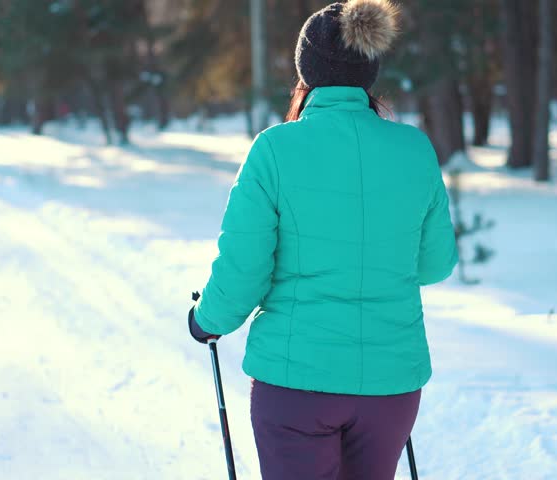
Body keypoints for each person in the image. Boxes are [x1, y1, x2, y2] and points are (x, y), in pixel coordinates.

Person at [187, 0, 458, 478]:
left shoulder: (275, 149)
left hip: (296, 385)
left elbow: (244, 268)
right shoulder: (414, 149)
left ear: (305, 70)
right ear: (368, 70)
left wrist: (206, 320)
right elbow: (434, 264)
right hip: (390, 386)